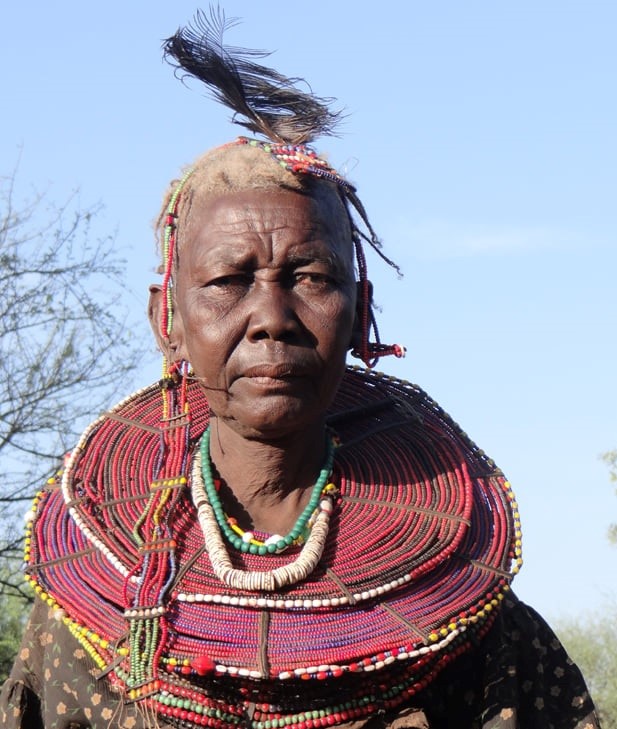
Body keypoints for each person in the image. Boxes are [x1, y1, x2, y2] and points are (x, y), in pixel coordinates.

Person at [0, 11, 600, 729]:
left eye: (311, 277)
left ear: (360, 311)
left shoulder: (480, 635)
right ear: (169, 320)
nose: (271, 316)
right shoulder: (72, 637)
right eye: (228, 280)